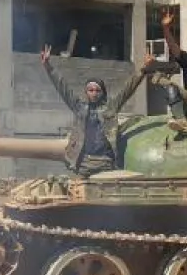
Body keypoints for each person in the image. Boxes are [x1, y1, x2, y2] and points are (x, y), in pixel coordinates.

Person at [40, 45, 152, 177]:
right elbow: (62, 87)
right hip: (83, 163)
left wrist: (143, 70)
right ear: (86, 92)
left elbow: (128, 89)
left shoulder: (110, 107)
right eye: (91, 90)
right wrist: (48, 66)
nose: (94, 93)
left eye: (97, 90)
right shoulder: (79, 107)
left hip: (106, 163)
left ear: (103, 93)